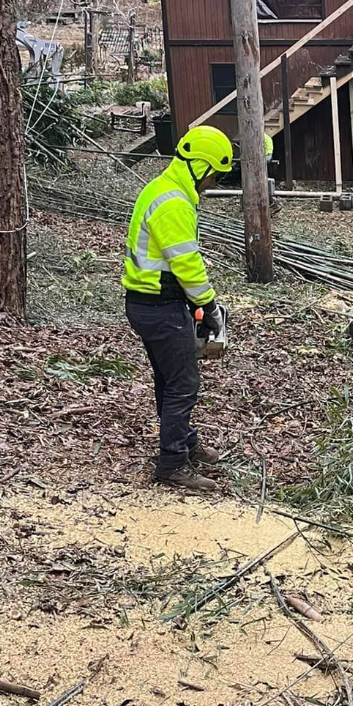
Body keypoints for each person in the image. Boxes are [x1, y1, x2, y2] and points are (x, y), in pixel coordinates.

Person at [122, 125, 232, 492]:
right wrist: (208, 305)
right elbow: (186, 263)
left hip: (148, 303)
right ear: (201, 167)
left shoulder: (163, 189)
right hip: (161, 305)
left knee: (168, 380)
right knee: (183, 383)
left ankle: (185, 442)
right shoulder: (173, 203)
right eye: (214, 175)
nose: (212, 183)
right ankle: (172, 463)